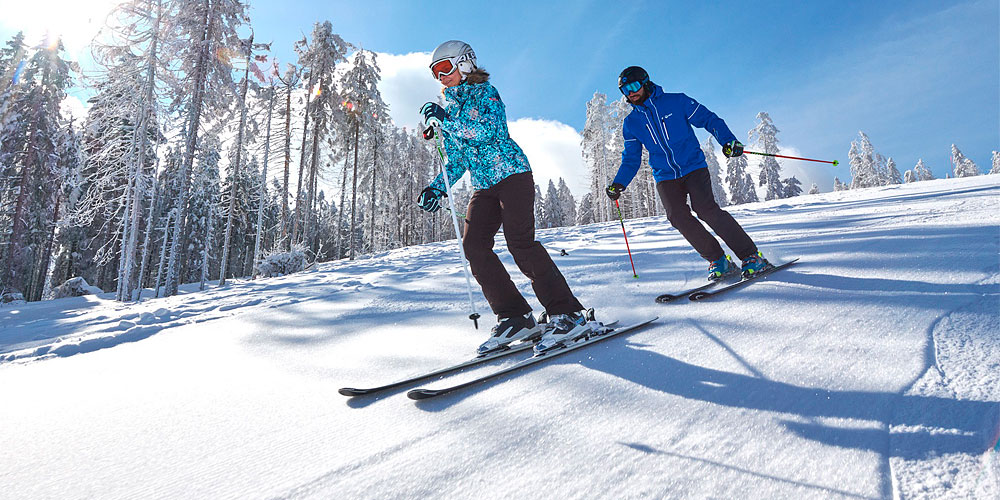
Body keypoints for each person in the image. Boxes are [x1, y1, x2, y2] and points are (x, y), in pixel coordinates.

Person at [417, 40, 591, 355]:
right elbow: (456, 161)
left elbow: (490, 130)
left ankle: (568, 312)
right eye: (435, 73)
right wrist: (436, 187)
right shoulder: (452, 109)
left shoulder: (486, 93)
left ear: (465, 63)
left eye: (444, 68)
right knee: (474, 246)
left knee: (520, 243)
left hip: (512, 175)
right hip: (483, 185)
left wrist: (447, 120)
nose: (440, 77)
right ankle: (515, 316)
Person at [606, 66, 771, 281]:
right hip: (665, 175)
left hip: (693, 166)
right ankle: (718, 259)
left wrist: (728, 140)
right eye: (625, 90)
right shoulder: (631, 123)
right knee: (677, 216)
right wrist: (619, 183)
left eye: (634, 86)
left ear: (645, 83)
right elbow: (631, 158)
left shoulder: (677, 102)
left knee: (705, 209)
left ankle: (751, 256)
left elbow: (709, 119)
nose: (631, 93)